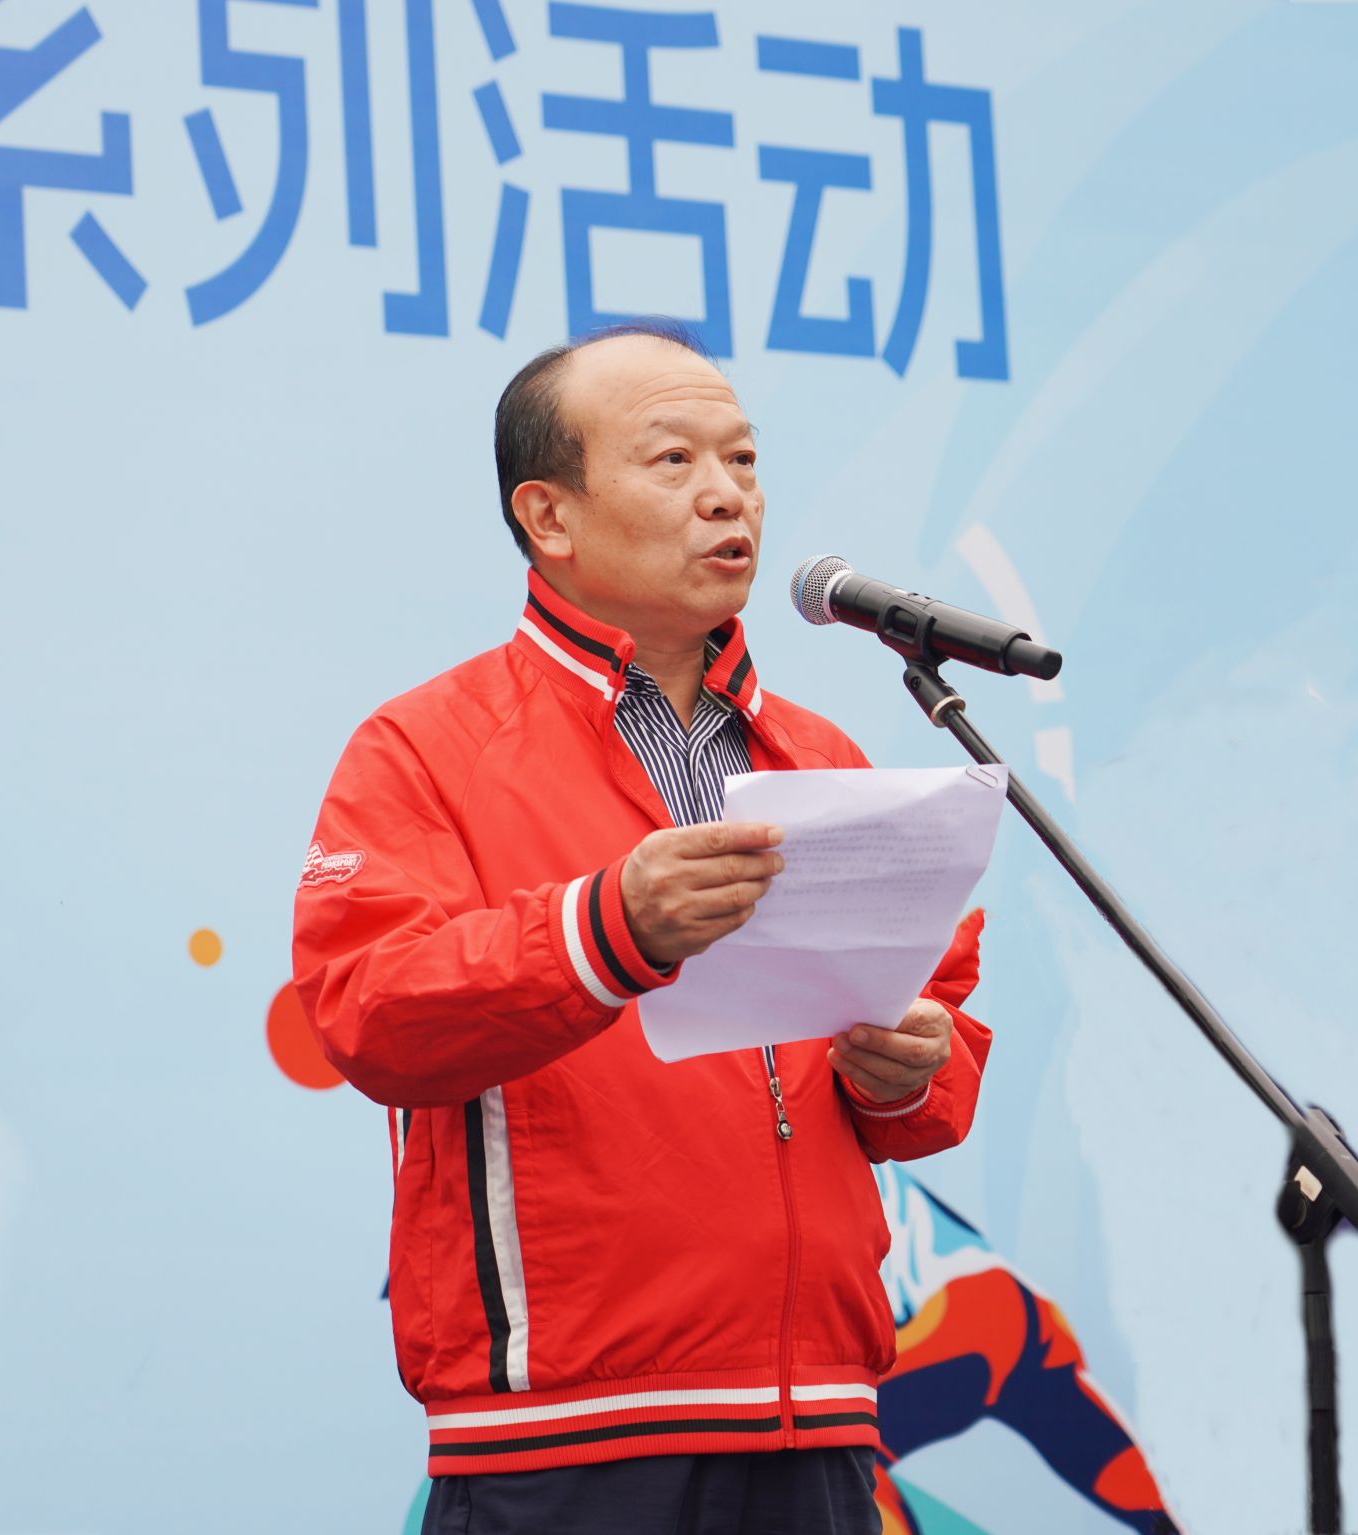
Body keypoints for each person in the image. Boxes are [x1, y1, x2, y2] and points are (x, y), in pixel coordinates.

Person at [292, 321, 993, 1535]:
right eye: (674, 461)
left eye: (743, 459)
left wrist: (908, 1069)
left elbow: (933, 1055)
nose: (727, 494)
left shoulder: (820, 754)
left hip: (820, 1422)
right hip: (566, 1440)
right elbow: (370, 1013)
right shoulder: (422, 748)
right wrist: (602, 927)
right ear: (548, 516)